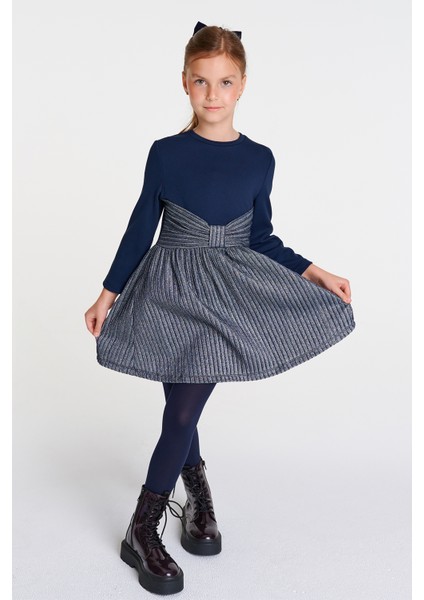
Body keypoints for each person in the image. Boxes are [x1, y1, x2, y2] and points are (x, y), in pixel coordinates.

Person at [84, 20, 355, 596]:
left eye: (225, 82)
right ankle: (178, 506)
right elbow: (140, 227)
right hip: (167, 291)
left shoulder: (259, 158)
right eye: (201, 81)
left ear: (243, 85)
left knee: (182, 411)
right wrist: (108, 293)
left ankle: (150, 518)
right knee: (181, 408)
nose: (213, 94)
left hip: (225, 296)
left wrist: (316, 272)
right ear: (184, 82)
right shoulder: (166, 153)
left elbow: (261, 237)